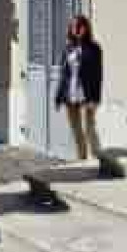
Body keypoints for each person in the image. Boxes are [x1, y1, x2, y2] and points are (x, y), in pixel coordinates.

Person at [55, 15, 103, 160]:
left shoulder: (94, 48)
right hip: (70, 95)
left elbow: (98, 75)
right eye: (74, 26)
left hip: (86, 95)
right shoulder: (67, 49)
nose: (76, 29)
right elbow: (63, 75)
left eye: (80, 26)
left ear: (86, 28)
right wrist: (58, 96)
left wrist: (96, 99)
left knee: (88, 128)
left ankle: (97, 157)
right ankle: (81, 158)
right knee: (76, 130)